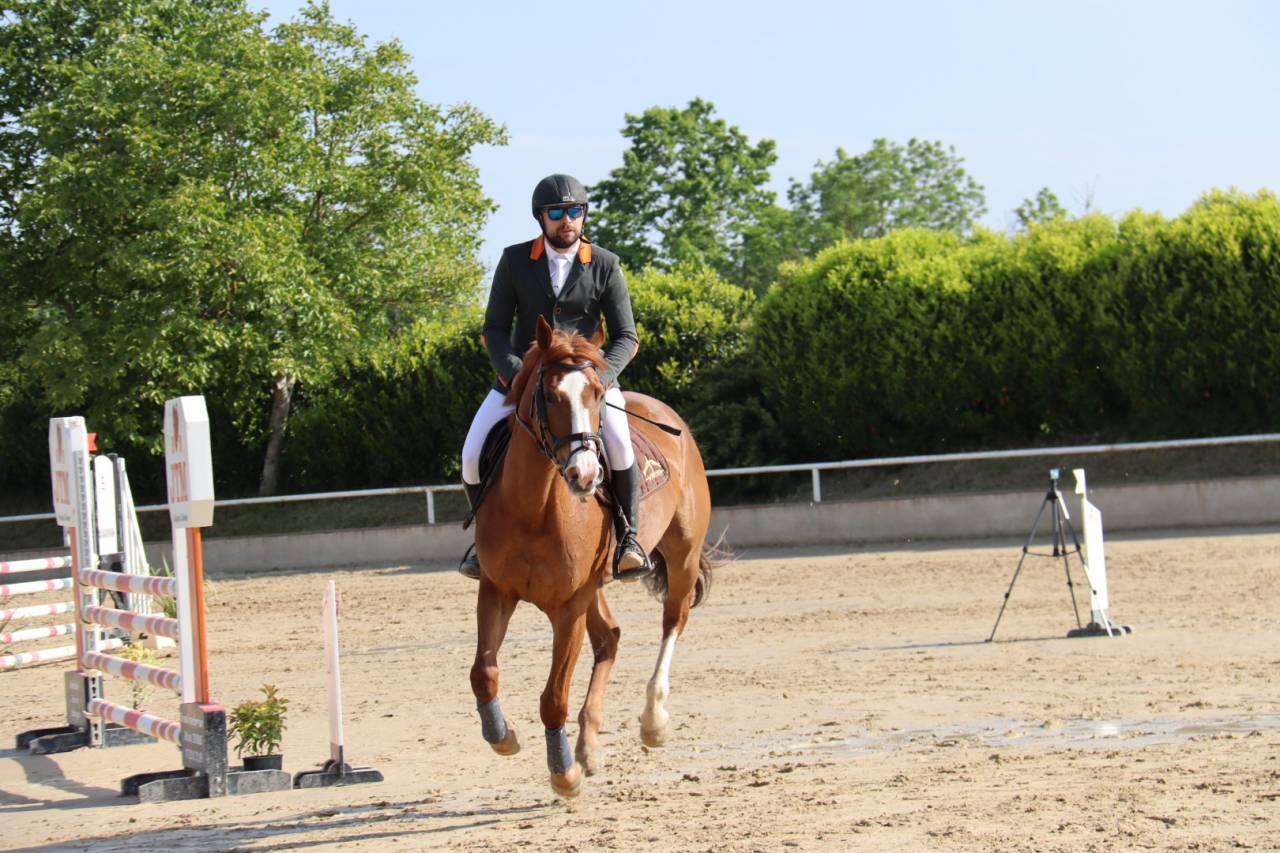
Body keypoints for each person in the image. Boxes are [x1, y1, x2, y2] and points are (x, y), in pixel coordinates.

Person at [458, 173, 649, 584]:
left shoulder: (605, 264)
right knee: (472, 454)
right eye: (557, 213)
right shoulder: (513, 261)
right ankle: (482, 542)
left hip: (587, 385)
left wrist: (599, 377)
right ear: (541, 219)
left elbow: (627, 336)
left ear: (583, 216)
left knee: (619, 446)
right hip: (524, 383)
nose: (567, 220)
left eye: (574, 211)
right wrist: (516, 376)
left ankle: (629, 538)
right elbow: (493, 329)